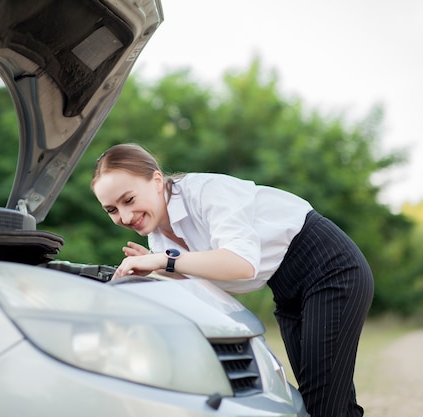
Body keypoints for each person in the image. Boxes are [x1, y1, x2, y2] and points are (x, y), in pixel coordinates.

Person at [91, 143, 374, 417]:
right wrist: (164, 270)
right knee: (325, 402)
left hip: (328, 265)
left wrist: (166, 260)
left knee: (322, 403)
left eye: (128, 200)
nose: (125, 216)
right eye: (112, 210)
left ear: (155, 180)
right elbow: (213, 286)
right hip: (287, 289)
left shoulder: (206, 192)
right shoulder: (158, 237)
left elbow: (242, 264)